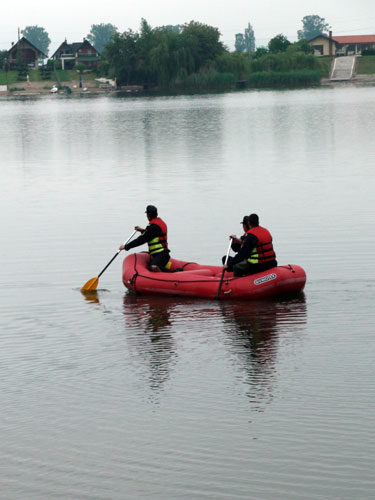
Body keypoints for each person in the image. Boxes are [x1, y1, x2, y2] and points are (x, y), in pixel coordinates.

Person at [120, 205, 172, 272]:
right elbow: (150, 234)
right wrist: (141, 230)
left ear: (147, 215)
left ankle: (176, 272)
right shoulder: (159, 224)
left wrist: (126, 246)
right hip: (160, 254)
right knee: (153, 266)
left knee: (153, 267)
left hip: (161, 255)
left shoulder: (154, 227)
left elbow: (142, 239)